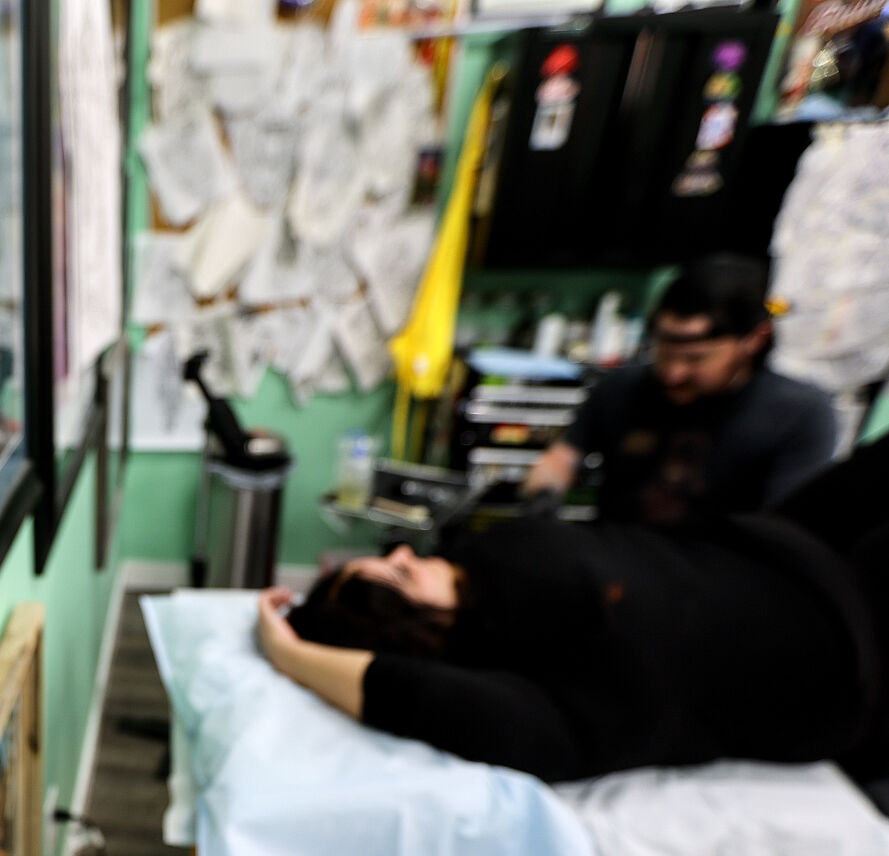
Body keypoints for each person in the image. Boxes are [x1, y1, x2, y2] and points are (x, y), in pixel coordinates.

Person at [257, 433, 889, 807]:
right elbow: (403, 692)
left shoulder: (473, 560)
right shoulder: (519, 691)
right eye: (398, 576)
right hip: (842, 654)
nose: (402, 553)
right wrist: (288, 654)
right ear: (417, 629)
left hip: (776, 547)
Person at [520, 254, 838, 525]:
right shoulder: (621, 387)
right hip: (617, 567)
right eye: (664, 353)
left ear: (754, 339)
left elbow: (786, 528)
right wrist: (544, 496)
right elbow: (561, 459)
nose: (673, 374)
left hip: (723, 579)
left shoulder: (799, 413)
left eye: (695, 359)